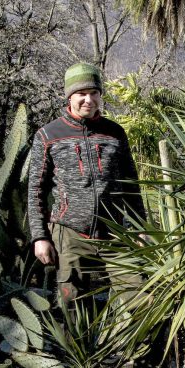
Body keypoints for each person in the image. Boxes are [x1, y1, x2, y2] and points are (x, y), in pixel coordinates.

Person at [27, 62, 144, 307]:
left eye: (94, 93)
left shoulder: (114, 133)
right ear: (69, 96)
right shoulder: (48, 135)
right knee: (71, 305)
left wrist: (140, 226)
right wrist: (39, 236)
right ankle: (74, 345)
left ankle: (133, 345)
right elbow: (36, 190)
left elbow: (131, 184)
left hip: (115, 232)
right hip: (70, 234)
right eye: (81, 94)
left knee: (138, 297)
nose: (88, 100)